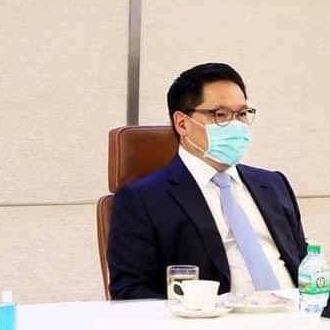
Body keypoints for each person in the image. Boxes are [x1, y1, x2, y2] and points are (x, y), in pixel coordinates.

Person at [108, 63, 308, 299]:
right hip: (214, 319)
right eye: (220, 115)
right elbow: (130, 291)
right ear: (182, 123)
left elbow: (305, 264)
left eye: (242, 114)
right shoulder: (142, 199)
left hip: (296, 314)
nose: (235, 125)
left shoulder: (273, 184)